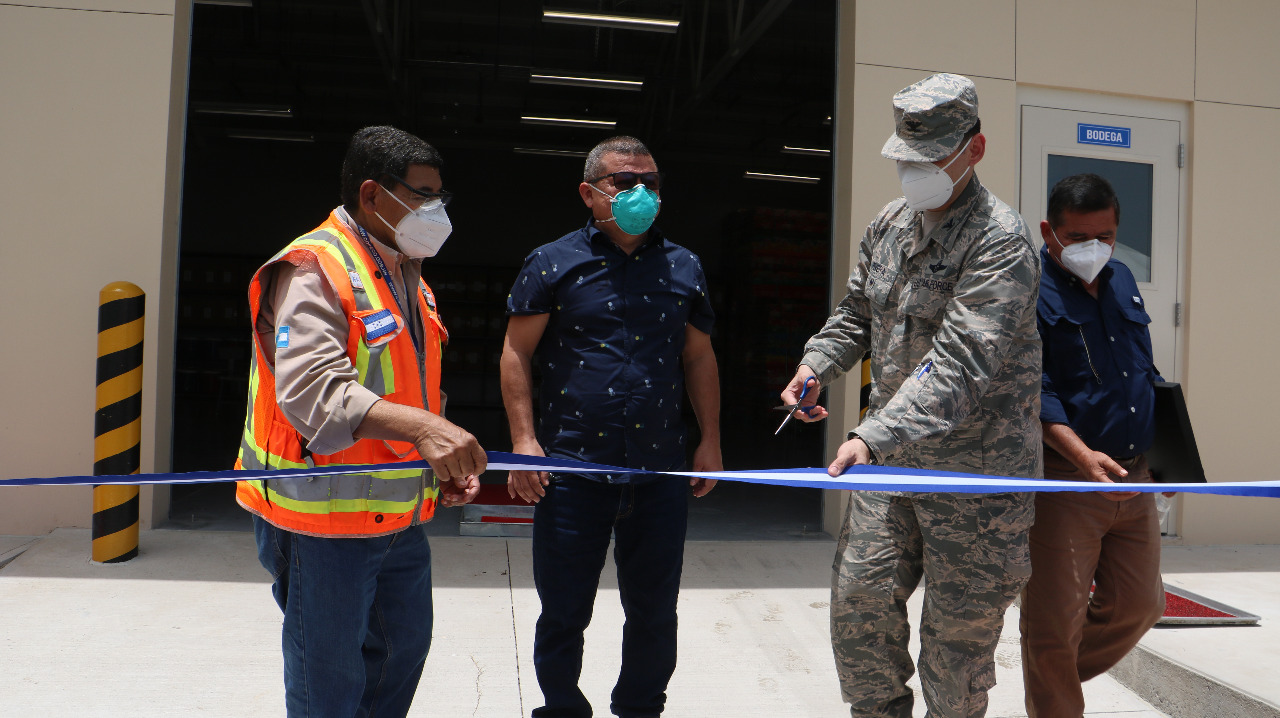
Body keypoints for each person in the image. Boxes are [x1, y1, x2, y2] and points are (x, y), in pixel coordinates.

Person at [779, 73, 1042, 718]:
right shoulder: (890, 224)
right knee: (858, 617)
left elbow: (958, 364)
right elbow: (855, 314)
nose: (913, 171)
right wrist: (815, 365)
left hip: (975, 483)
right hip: (890, 470)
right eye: (906, 157)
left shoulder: (1000, 241)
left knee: (954, 663)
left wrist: (870, 436)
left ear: (975, 149)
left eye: (930, 159)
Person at [233, 125, 487, 718]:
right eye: (423, 195)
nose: (436, 210)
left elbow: (410, 386)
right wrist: (425, 431)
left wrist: (439, 455)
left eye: (440, 196)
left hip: (397, 513)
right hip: (324, 522)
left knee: (401, 654)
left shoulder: (403, 271)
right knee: (329, 681)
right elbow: (312, 389)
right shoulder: (315, 267)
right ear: (372, 194)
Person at [500, 135, 722, 718]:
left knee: (654, 610)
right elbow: (516, 352)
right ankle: (561, 708)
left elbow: (699, 356)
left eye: (651, 182)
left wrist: (710, 441)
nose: (641, 192)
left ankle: (641, 708)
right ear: (589, 192)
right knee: (564, 609)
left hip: (659, 472)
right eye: (626, 182)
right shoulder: (552, 261)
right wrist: (524, 442)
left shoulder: (684, 265)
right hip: (571, 470)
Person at [1019, 173, 1167, 718]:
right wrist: (1082, 457)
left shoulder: (1121, 277)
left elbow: (1142, 372)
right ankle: (1052, 685)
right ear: (1048, 232)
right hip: (1066, 480)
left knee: (1141, 605)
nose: (1093, 249)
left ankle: (1051, 672)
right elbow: (1032, 391)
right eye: (1078, 238)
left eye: (1105, 237)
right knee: (1055, 619)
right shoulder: (1026, 288)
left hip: (1134, 475)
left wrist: (1168, 456)